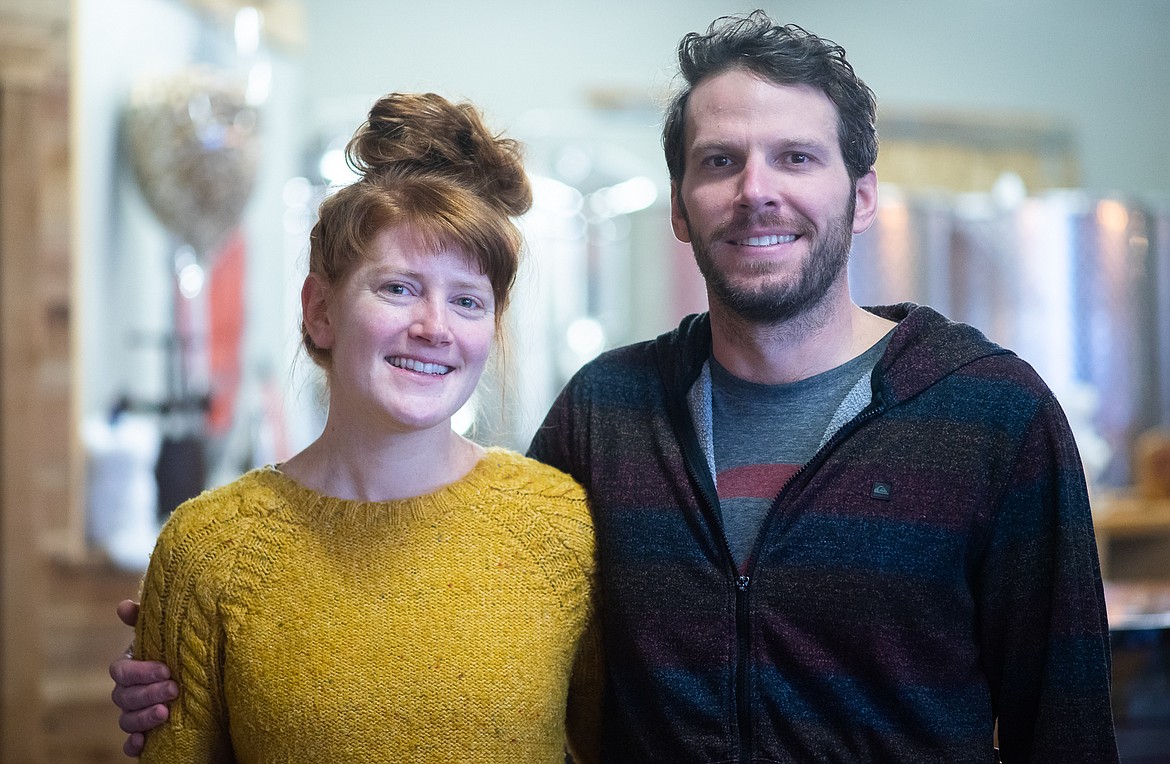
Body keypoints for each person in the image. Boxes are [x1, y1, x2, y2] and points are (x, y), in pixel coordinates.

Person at [111, 11, 1118, 762]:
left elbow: (1065, 728)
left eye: (795, 157)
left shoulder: (994, 417)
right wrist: (198, 634)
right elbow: (464, 577)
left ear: (859, 198)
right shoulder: (608, 415)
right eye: (720, 160)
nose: (756, 188)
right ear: (681, 205)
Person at [113, 91, 602, 763]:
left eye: (466, 300)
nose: (434, 327)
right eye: (398, 288)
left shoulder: (560, 529)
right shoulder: (209, 551)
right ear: (321, 310)